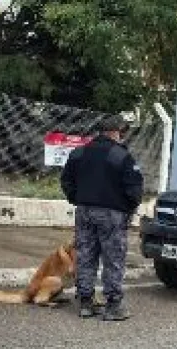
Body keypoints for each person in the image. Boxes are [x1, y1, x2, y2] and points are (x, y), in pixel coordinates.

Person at [61, 116, 144, 321]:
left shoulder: (79, 152)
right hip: (112, 214)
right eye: (122, 132)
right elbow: (134, 190)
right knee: (113, 258)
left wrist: (77, 199)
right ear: (116, 132)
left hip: (84, 211)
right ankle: (113, 305)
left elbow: (66, 181)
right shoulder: (121, 156)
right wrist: (128, 208)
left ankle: (86, 302)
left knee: (85, 255)